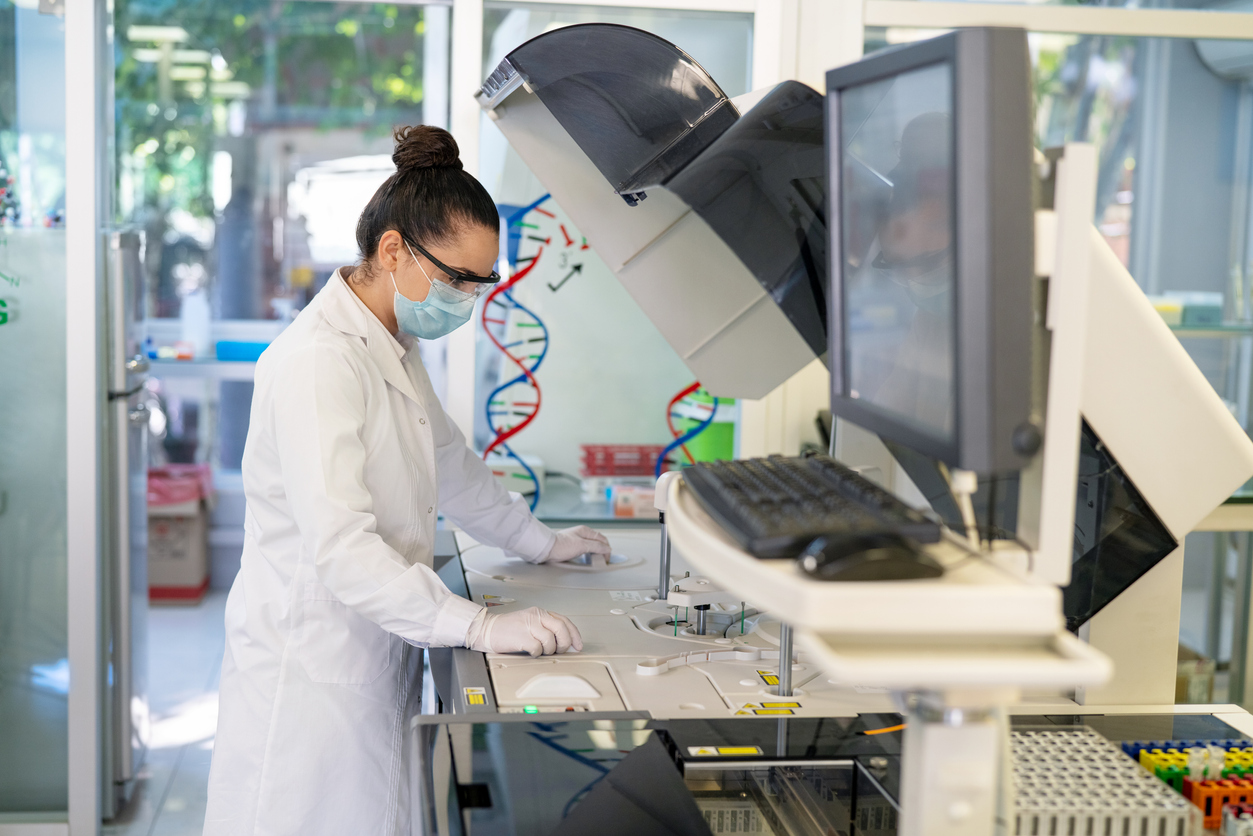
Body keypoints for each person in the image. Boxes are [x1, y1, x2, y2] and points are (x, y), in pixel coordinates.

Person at [203, 125, 612, 836]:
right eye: (456, 278)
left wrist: (537, 542)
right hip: (311, 672)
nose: (466, 297)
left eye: (479, 283)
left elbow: (446, 462)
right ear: (392, 250)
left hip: (372, 649)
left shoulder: (392, 341)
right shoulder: (318, 363)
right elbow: (341, 548)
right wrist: (479, 624)